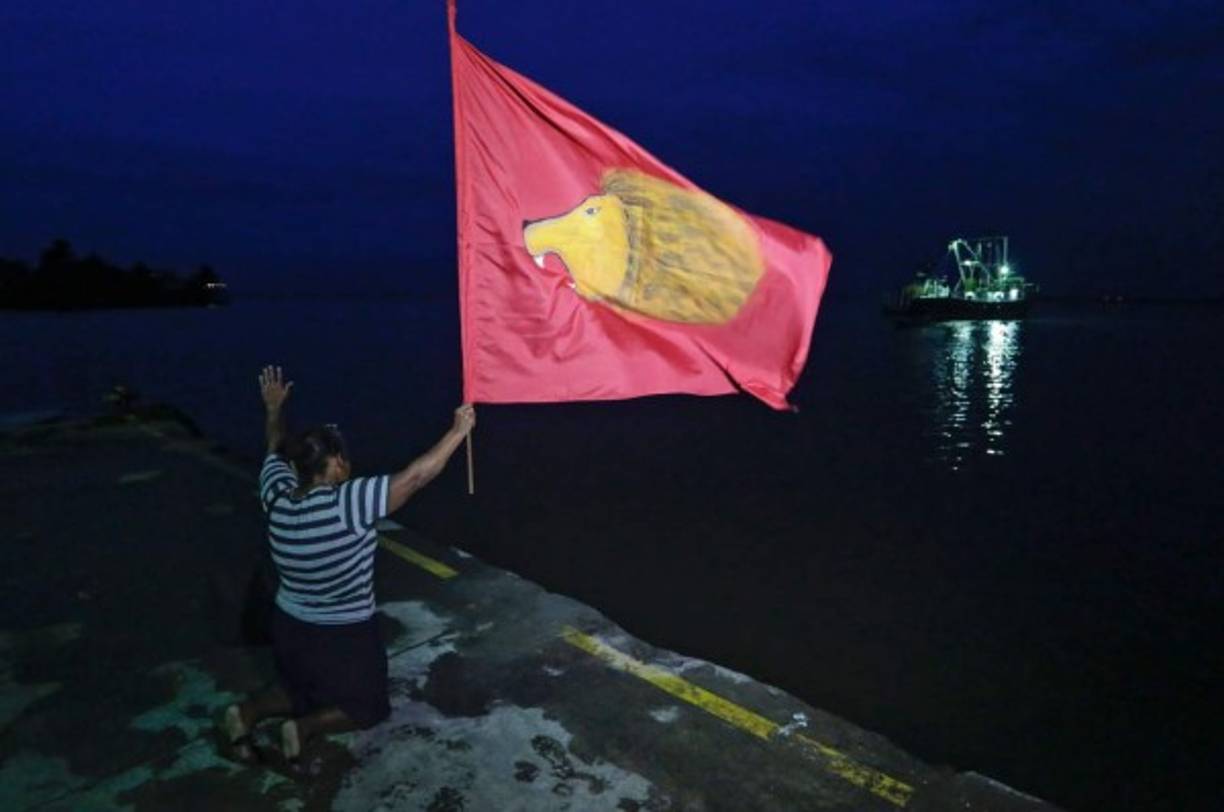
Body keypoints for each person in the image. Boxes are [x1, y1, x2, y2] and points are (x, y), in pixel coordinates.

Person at [221, 365, 475, 764]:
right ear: (337, 463)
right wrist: (458, 433)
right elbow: (414, 478)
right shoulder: (347, 504)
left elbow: (272, 448)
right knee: (368, 708)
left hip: (289, 623)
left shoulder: (276, 495)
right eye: (343, 457)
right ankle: (303, 729)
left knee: (300, 689)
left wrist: (273, 409)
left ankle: (245, 714)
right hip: (343, 631)